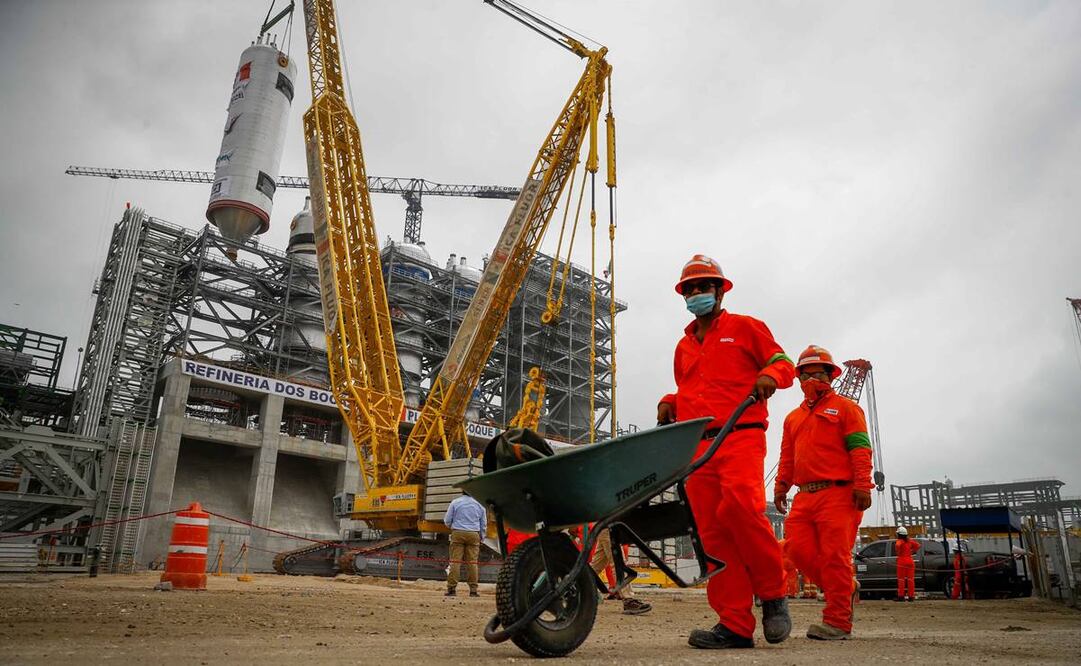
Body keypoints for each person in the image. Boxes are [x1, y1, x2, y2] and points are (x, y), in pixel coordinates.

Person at [657, 254, 795, 649]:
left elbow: (782, 361)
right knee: (712, 534)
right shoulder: (683, 347)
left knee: (742, 507)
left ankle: (773, 593)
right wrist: (670, 400)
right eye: (691, 289)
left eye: (704, 286)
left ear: (720, 290)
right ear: (684, 295)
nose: (697, 293)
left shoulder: (746, 327)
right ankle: (734, 624)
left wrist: (770, 375)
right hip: (698, 445)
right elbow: (693, 391)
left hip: (741, 433)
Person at [773, 345, 873, 640]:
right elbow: (787, 455)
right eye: (806, 374)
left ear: (830, 376)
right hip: (804, 495)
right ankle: (844, 587)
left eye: (818, 373)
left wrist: (863, 485)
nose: (811, 379)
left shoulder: (847, 409)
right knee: (797, 551)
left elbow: (859, 449)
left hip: (839, 494)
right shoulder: (793, 418)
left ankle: (838, 622)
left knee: (835, 556)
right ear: (799, 378)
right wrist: (781, 485)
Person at [589, 527, 653, 615]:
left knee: (594, 568)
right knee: (618, 563)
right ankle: (628, 600)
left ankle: (574, 588)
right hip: (609, 528)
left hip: (607, 528)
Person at [444, 491, 487, 597]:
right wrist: (482, 536)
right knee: (472, 562)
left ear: (462, 492)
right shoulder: (480, 504)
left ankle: (452, 589)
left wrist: (453, 528)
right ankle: (473, 590)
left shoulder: (455, 502)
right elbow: (483, 524)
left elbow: (447, 520)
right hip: (473, 534)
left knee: (455, 561)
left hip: (458, 532)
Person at [895, 526, 920, 602]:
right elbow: (918, 545)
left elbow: (897, 545)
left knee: (901, 579)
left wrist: (898, 552)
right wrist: (912, 551)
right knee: (910, 579)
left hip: (902, 560)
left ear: (899, 534)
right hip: (910, 560)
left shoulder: (900, 541)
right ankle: (911, 596)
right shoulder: (909, 541)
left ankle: (901, 596)